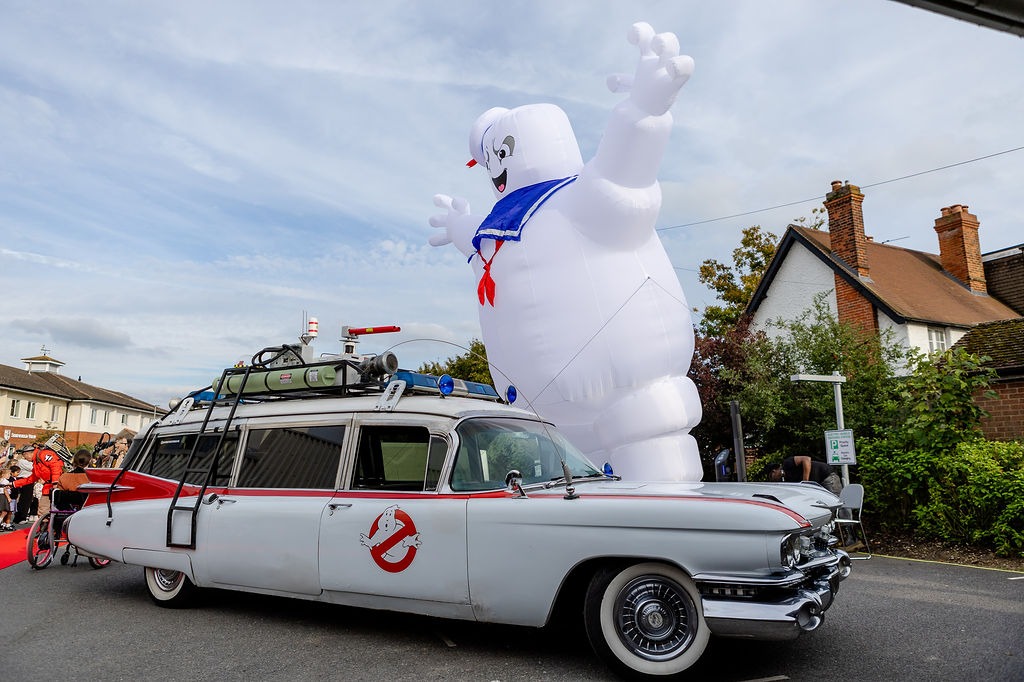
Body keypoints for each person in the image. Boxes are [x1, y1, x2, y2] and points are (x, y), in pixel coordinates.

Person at [12, 444, 64, 520]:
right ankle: (44, 528)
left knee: (48, 509)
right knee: (43, 510)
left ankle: (47, 527)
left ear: (28, 453)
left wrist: (55, 483)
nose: (25, 458)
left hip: (55, 485)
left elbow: (55, 466)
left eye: (24, 455)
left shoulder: (43, 454)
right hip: (48, 487)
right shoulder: (36, 462)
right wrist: (14, 484)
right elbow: (32, 478)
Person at [768, 455, 842, 495]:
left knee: (835, 500)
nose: (773, 480)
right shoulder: (786, 479)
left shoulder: (787, 463)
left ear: (774, 471)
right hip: (817, 484)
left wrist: (805, 481)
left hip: (826, 476)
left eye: (772, 477)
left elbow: (806, 459)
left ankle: (847, 523)